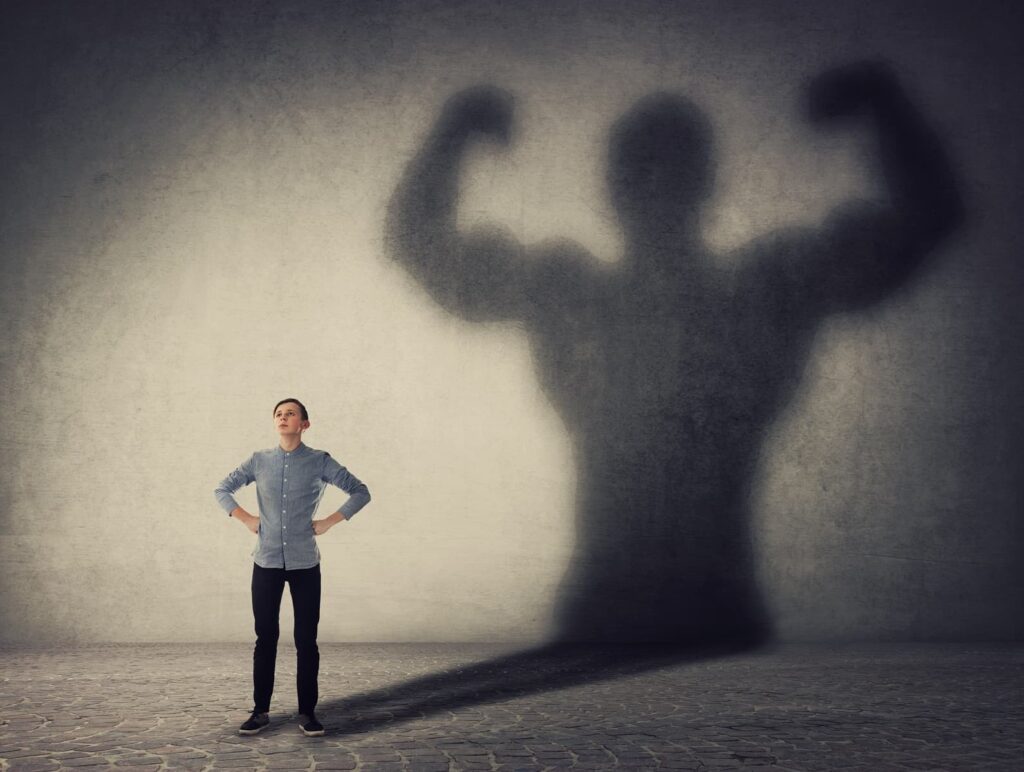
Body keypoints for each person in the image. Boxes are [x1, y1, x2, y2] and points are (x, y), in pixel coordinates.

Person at [385, 61, 962, 643]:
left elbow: (419, 244)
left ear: (612, 186)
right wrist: (884, 103)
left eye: (661, 171)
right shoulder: (757, 294)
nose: (656, 187)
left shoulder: (585, 294)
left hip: (624, 609)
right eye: (648, 171)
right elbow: (927, 218)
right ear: (707, 182)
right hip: (702, 610)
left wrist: (455, 132)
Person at [214, 398, 371, 736]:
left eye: (291, 414)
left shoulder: (319, 461)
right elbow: (222, 488)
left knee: (306, 639)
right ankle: (260, 711)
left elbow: (360, 491)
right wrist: (245, 518)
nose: (284, 418)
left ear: (305, 424)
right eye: (279, 414)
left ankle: (308, 713)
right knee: (265, 637)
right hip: (266, 561)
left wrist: (330, 521)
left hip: (304, 564)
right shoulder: (259, 460)